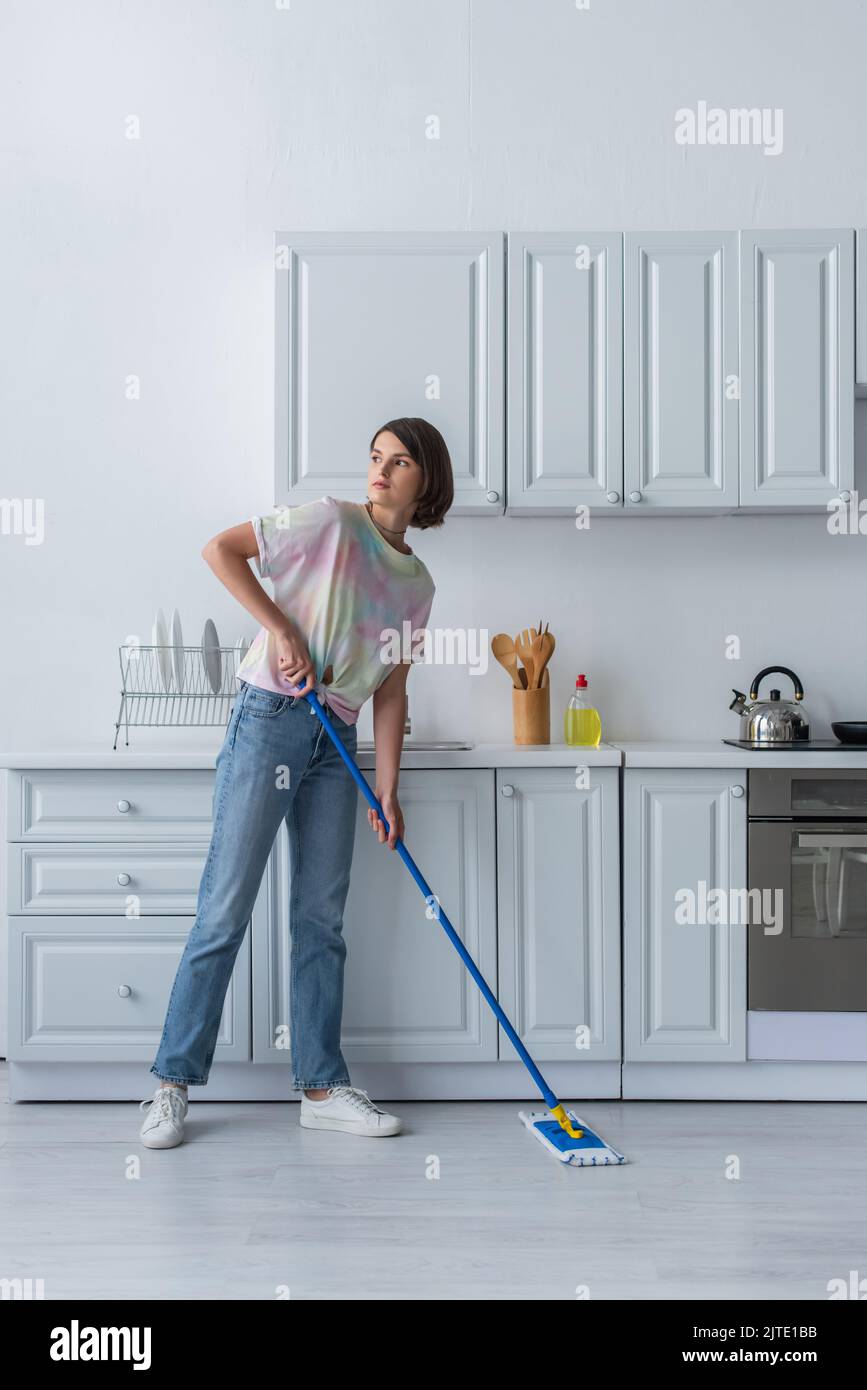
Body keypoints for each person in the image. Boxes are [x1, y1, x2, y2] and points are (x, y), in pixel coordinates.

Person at [138, 418, 453, 1149]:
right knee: (225, 908)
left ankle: (319, 1086)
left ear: (425, 481)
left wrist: (388, 789)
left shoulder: (417, 585)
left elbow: (391, 694)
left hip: (334, 738)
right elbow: (220, 550)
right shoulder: (330, 522)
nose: (379, 470)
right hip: (270, 717)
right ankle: (170, 1085)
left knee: (321, 919)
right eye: (374, 456)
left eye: (398, 461)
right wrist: (280, 628)